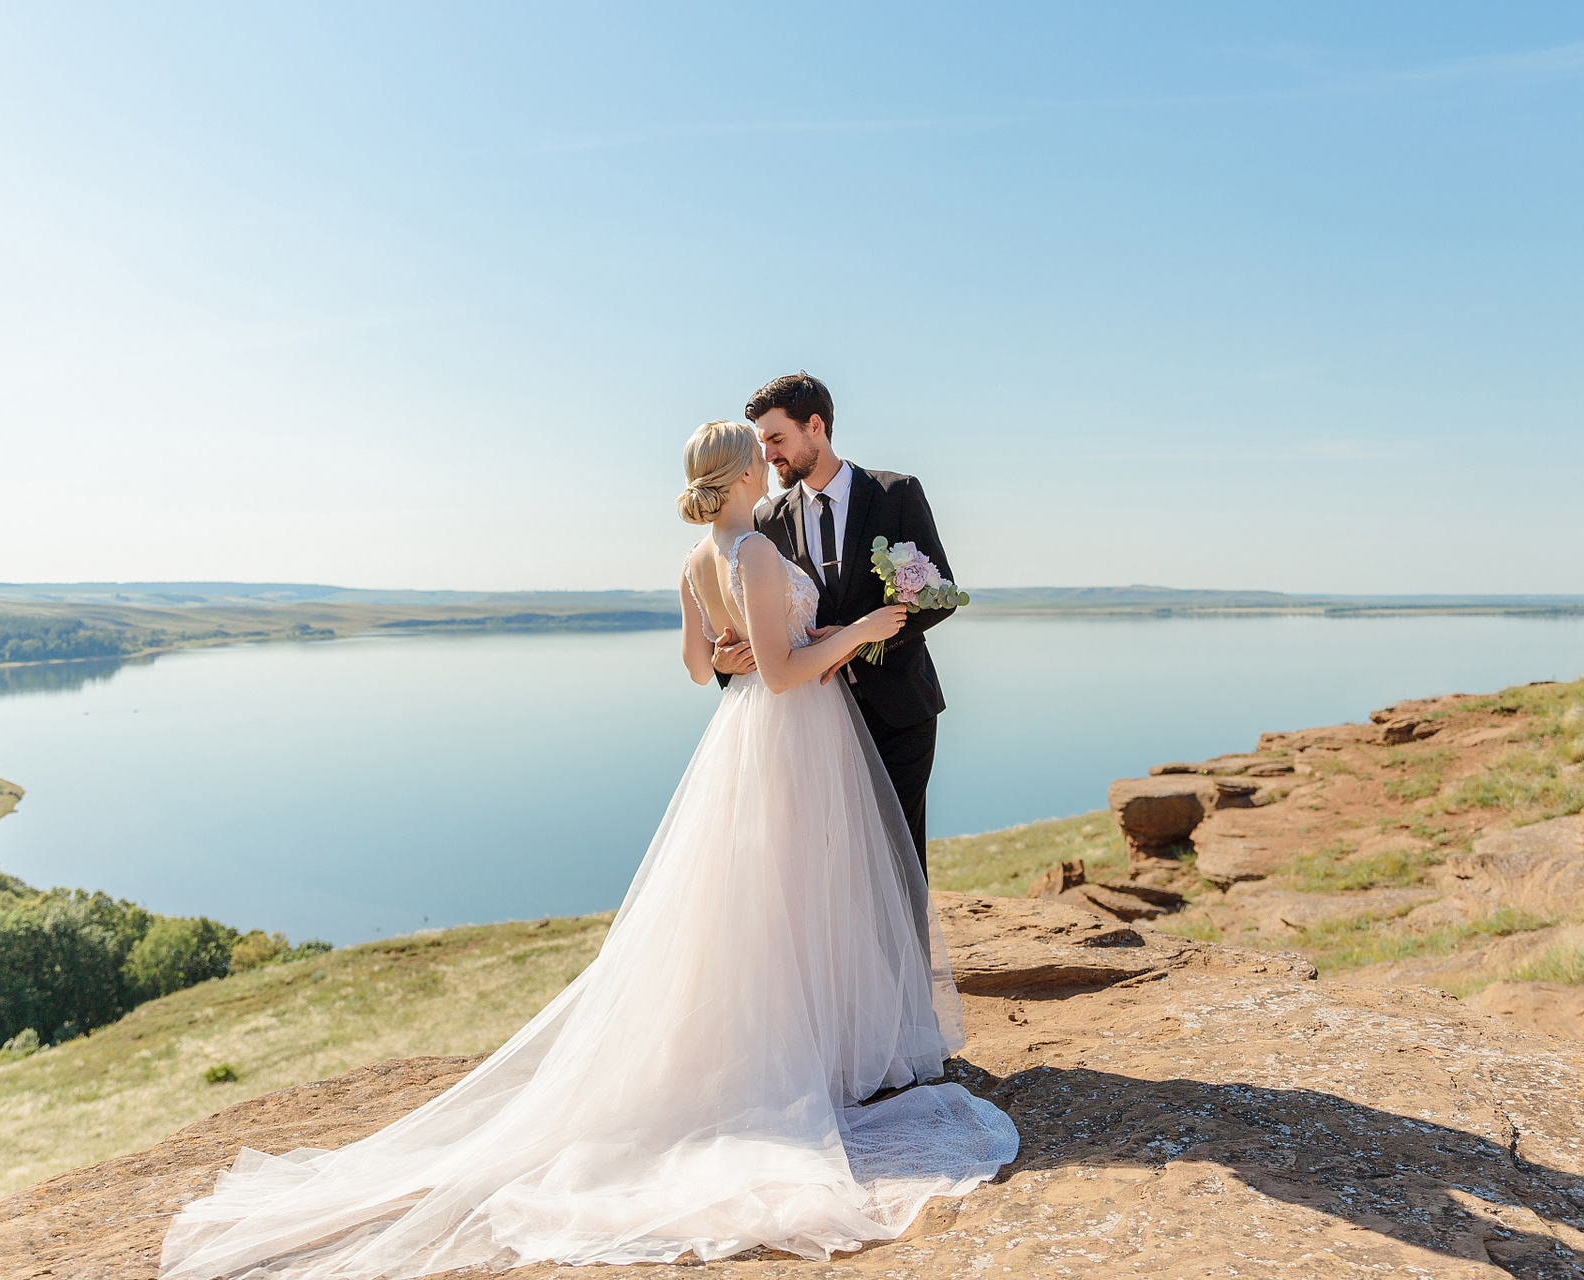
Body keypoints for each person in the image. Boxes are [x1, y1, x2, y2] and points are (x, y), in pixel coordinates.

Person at [158, 420, 1016, 1279]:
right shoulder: (755, 550)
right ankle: (804, 1068)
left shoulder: (695, 561)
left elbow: (701, 668)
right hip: (793, 735)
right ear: (739, 475)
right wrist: (860, 629)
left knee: (761, 902)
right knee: (797, 894)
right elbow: (787, 671)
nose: (767, 461)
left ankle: (797, 1055)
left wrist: (746, 651)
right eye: (754, 454)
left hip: (745, 735)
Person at [712, 372, 954, 874]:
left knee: (900, 858)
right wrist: (724, 663)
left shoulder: (896, 494)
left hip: (900, 711)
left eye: (777, 439)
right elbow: (757, 618)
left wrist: (857, 639)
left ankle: (909, 933)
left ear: (815, 426)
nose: (768, 454)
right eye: (763, 443)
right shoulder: (767, 519)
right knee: (831, 865)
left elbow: (941, 597)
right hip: (816, 720)